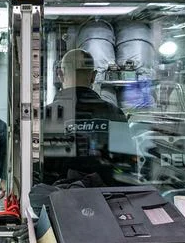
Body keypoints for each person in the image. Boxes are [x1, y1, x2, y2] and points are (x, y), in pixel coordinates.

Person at [41, 48, 128, 185]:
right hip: (107, 195)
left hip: (56, 195)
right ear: (93, 76)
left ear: (60, 74)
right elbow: (125, 168)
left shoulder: (45, 115)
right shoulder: (115, 114)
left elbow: (38, 169)